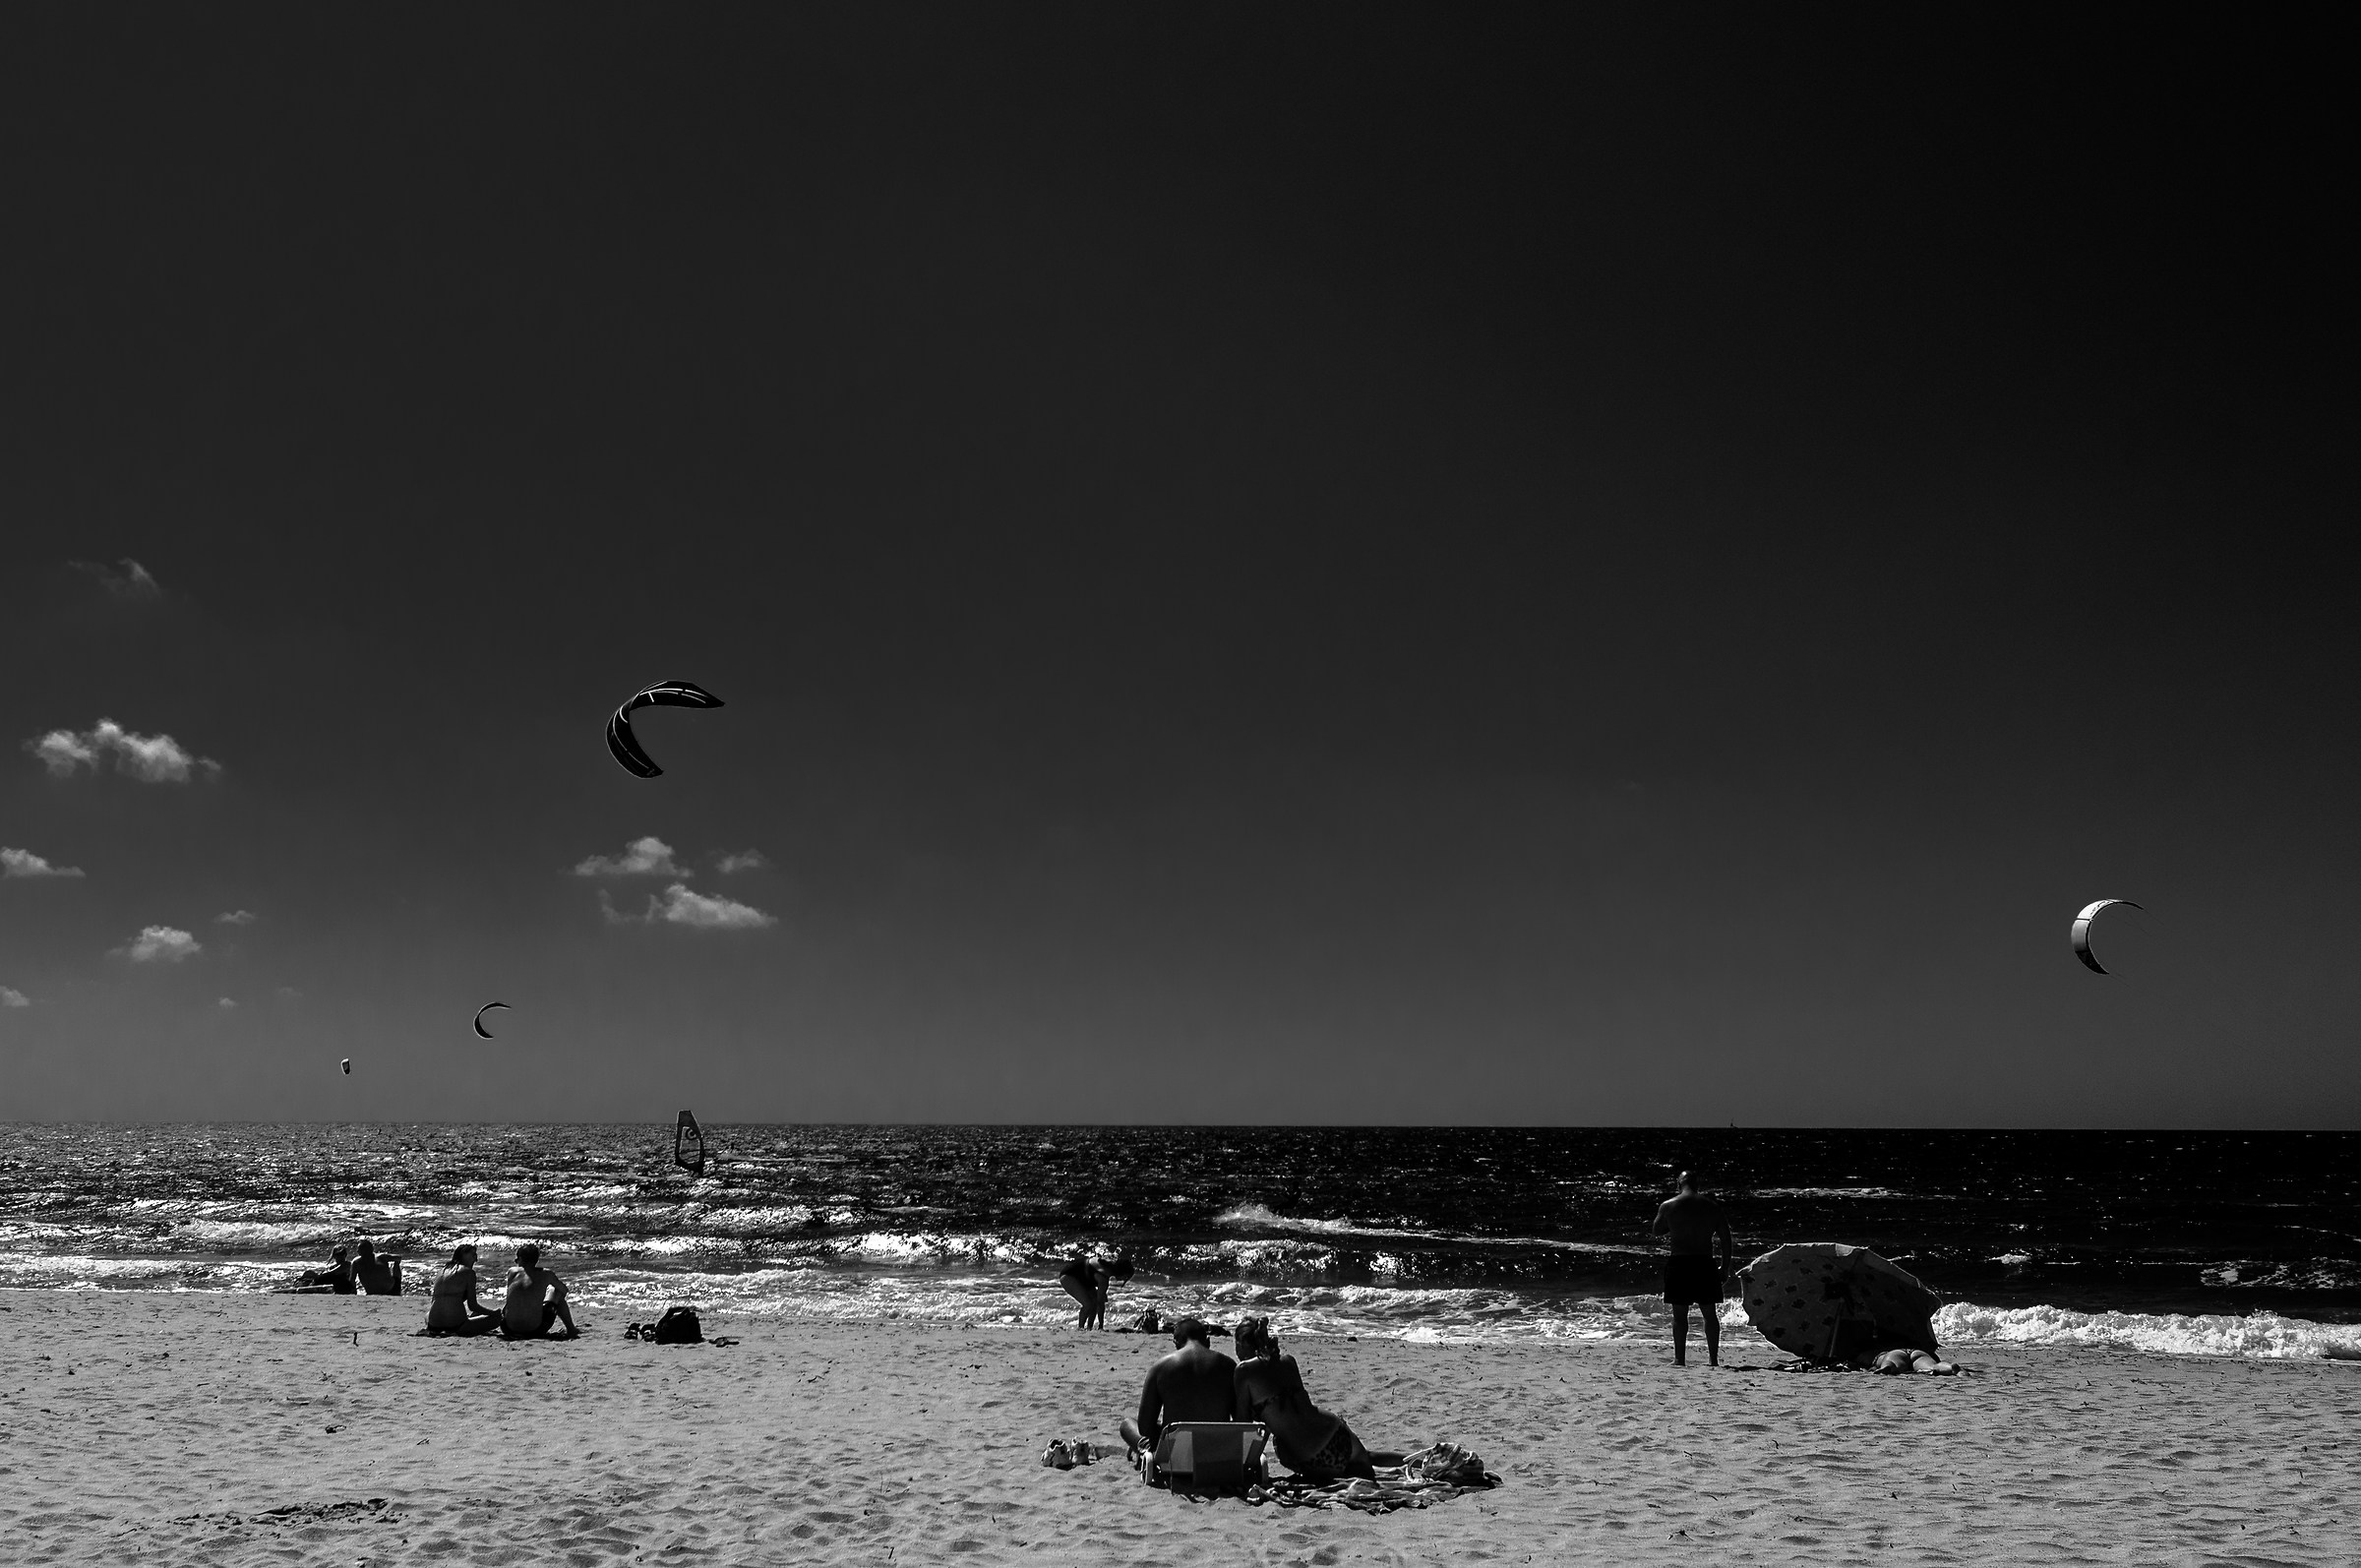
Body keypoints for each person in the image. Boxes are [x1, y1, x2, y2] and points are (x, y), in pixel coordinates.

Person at [1232, 1316, 1401, 1480]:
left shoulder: (1244, 1371)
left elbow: (1242, 1426)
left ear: (1243, 1343)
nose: (1236, 1351)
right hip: (1336, 1432)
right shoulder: (1288, 1361)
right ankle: (1421, 1460)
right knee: (1367, 1458)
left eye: (1236, 1345)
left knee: (1281, 1445)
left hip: (1313, 1455)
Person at [1120, 1316, 1236, 1460]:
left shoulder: (1161, 1367)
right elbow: (1240, 1420)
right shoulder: (1229, 1366)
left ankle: (1144, 1450)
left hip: (1175, 1454)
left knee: (1127, 1425)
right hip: (1216, 1452)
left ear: (1176, 1343)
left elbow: (1145, 1428)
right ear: (1208, 1341)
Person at [1651, 1171, 1733, 1368]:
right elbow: (1726, 1238)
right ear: (1698, 1184)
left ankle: (1680, 1359)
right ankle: (1713, 1360)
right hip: (1704, 1262)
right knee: (1709, 1314)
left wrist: (1677, 1225)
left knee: (1679, 1315)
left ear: (1679, 1183)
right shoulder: (1712, 1207)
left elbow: (1656, 1230)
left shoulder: (1669, 1206)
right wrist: (1725, 1267)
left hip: (1680, 1263)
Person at [501, 1243, 579, 1339]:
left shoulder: (512, 1271)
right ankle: (571, 1329)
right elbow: (564, 1290)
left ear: (521, 1259)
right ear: (537, 1260)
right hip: (535, 1330)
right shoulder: (546, 1274)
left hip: (507, 1328)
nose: (516, 1261)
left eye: (517, 1259)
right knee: (555, 1291)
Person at [422, 1243, 502, 1335]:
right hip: (457, 1325)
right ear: (463, 1254)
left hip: (433, 1324)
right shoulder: (469, 1273)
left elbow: (434, 1302)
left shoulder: (442, 1271)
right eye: (473, 1255)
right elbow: (472, 1306)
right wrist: (493, 1313)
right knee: (496, 1319)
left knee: (427, 1314)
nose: (476, 1259)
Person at [1058, 1252, 1135, 1330]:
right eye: (1125, 1277)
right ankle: (1080, 1328)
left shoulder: (1107, 1264)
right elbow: (1100, 1304)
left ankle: (1089, 1328)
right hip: (1068, 1276)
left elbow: (1098, 1302)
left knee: (1094, 1303)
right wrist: (1101, 1326)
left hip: (1084, 1277)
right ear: (1121, 1273)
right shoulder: (1103, 1277)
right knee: (1088, 1304)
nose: (1124, 1280)